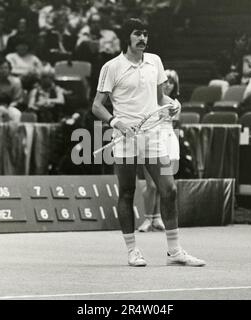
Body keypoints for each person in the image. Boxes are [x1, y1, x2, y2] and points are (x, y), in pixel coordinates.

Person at [92, 18, 206, 267]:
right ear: (127, 37)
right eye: (137, 34)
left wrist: (172, 103)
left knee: (169, 189)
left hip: (153, 136)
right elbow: (97, 105)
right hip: (124, 137)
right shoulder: (111, 67)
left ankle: (174, 251)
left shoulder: (155, 61)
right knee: (127, 192)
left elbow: (159, 97)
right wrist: (115, 122)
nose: (143, 38)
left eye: (145, 34)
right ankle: (132, 250)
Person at [138, 69, 181, 232]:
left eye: (171, 82)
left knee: (164, 185)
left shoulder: (175, 104)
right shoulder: (148, 101)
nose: (168, 85)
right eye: (165, 82)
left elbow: (174, 123)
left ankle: (157, 218)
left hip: (168, 140)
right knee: (151, 184)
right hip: (150, 140)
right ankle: (147, 219)